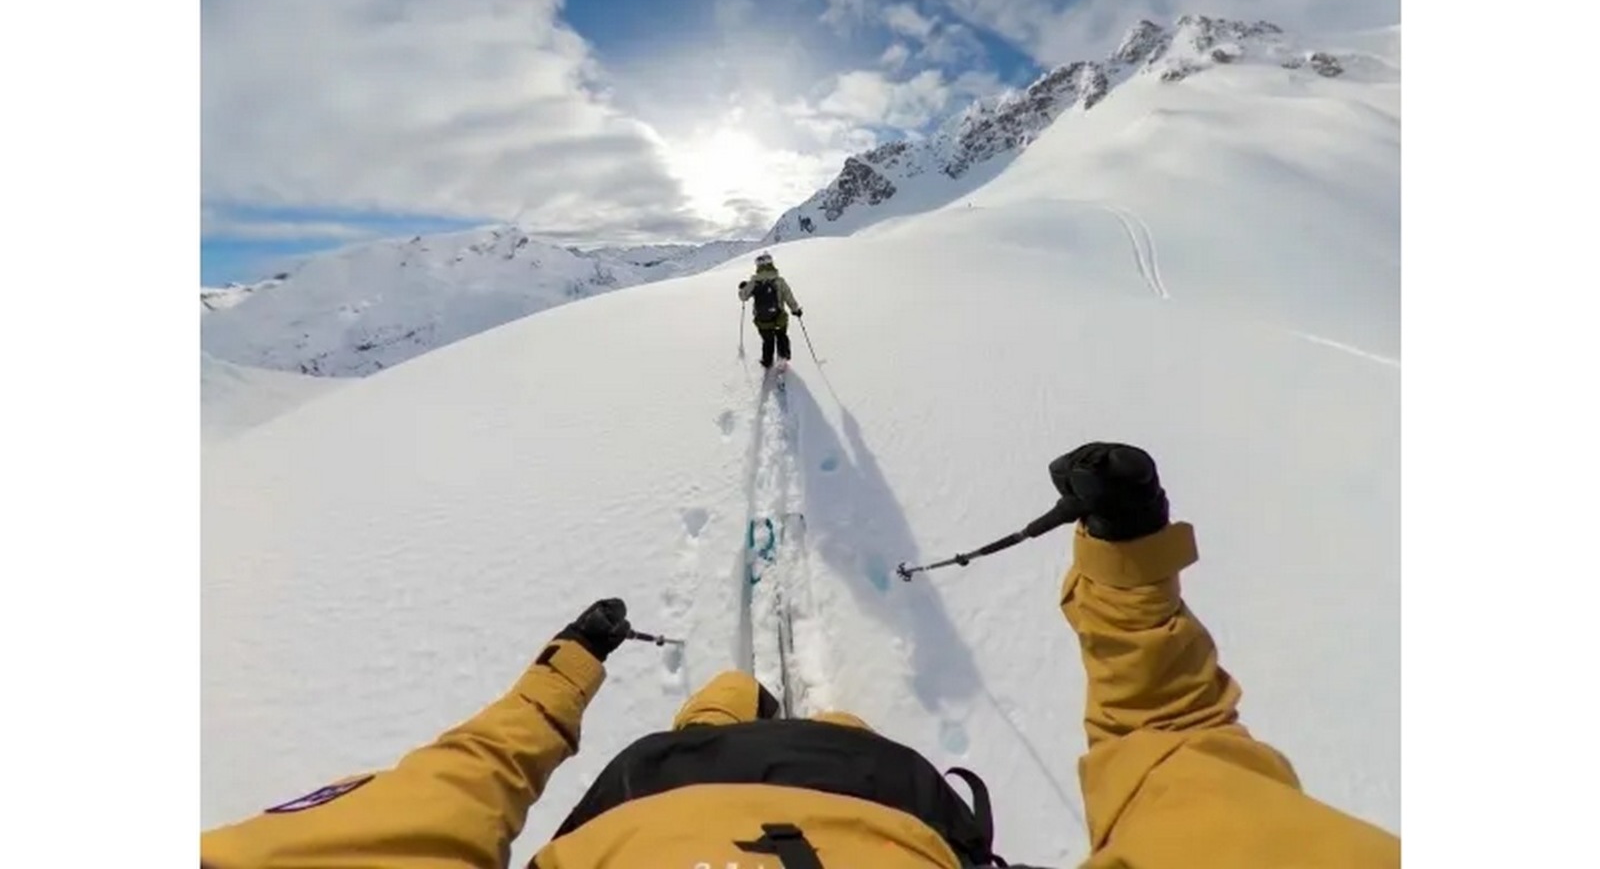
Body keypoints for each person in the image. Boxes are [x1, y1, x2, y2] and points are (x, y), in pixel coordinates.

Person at [200, 443, 1401, 868]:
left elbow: (452, 780)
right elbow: (1176, 748)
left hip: (847, 793)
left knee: (763, 716)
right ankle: (786, 711)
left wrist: (571, 663)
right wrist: (1127, 555)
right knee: (751, 717)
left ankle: (787, 711)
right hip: (731, 782)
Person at [737, 251, 802, 370]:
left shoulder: (754, 282)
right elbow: (789, 297)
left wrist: (743, 288)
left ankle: (767, 361)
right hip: (779, 317)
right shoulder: (779, 281)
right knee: (781, 336)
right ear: (772, 264)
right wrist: (795, 309)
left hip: (762, 320)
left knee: (767, 340)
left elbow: (743, 297)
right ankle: (782, 358)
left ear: (758, 267)